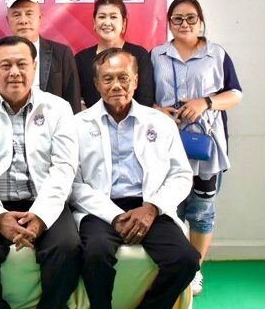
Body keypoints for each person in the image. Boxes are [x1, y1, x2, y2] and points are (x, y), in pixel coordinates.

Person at [0, 36, 80, 309]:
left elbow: (64, 167)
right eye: (5, 65)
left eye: (22, 64)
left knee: (67, 247)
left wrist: (41, 216)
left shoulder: (58, 108)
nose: (14, 72)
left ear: (34, 66)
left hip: (43, 200)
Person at [72, 48, 200, 309]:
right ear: (96, 83)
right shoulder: (76, 125)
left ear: (136, 80)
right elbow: (73, 184)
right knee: (95, 255)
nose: (116, 85)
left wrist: (152, 208)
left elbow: (181, 175)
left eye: (124, 77)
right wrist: (114, 215)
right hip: (99, 209)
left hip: (150, 206)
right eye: (108, 79)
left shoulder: (160, 123)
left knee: (186, 260)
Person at [151, 0, 242, 295]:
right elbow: (146, 95)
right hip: (167, 144)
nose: (185, 24)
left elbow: (236, 94)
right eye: (177, 18)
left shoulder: (217, 54)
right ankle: (176, 264)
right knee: (170, 209)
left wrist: (205, 102)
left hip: (207, 147)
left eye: (191, 18)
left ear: (200, 21)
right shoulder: (157, 55)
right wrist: (158, 109)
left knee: (202, 211)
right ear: (169, 23)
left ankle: (194, 270)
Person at [6, 0, 81, 113]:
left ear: (40, 18)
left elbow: (72, 99)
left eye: (29, 13)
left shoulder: (61, 54)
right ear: (7, 20)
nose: (23, 20)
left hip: (53, 122)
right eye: (16, 14)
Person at [75, 0, 154, 108]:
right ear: (94, 22)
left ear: (124, 22)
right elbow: (76, 100)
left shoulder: (138, 55)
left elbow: (145, 100)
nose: (107, 23)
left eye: (113, 17)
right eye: (102, 17)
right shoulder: (81, 59)